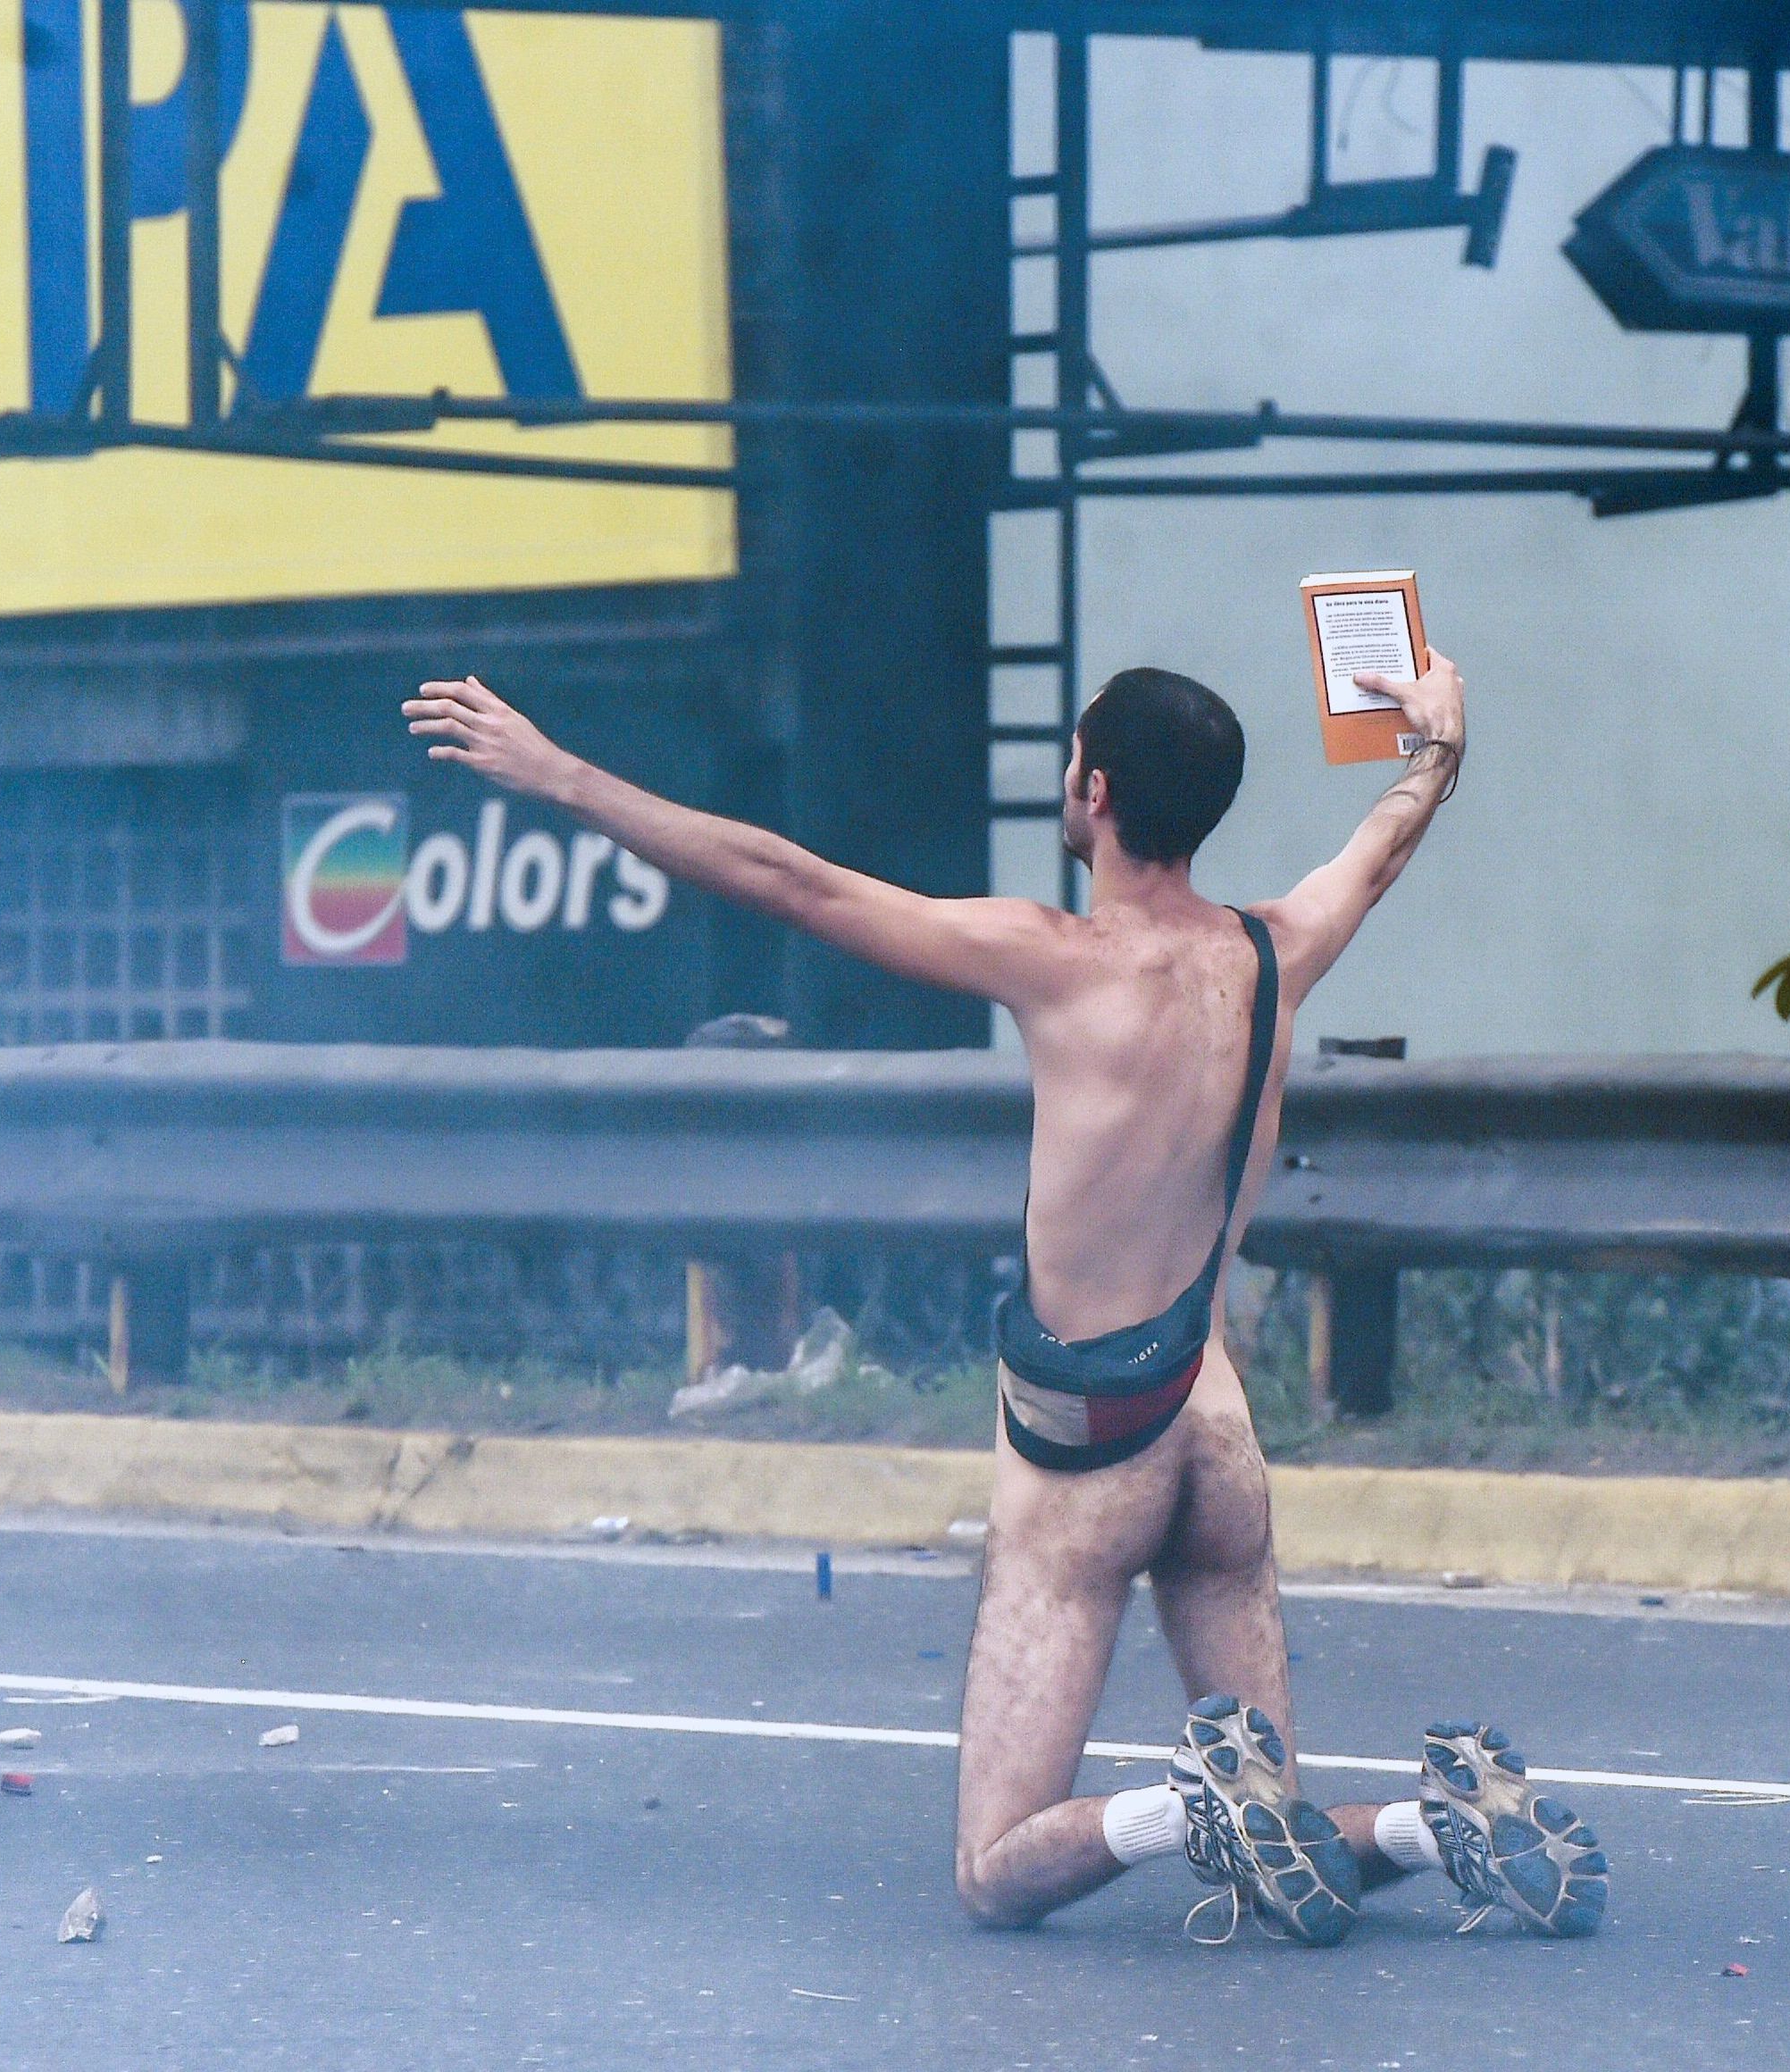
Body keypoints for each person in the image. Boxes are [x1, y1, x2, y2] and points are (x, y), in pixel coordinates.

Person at [404, 649, 1607, 1948]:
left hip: (1087, 1451)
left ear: (1092, 788)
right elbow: (1378, 844)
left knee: (994, 1867)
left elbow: (782, 879)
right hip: (1215, 1431)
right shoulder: (1274, 951)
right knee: (1280, 1823)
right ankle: (1443, 1828)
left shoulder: (1051, 958)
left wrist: (558, 774)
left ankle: (1180, 1803)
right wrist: (1434, 754)